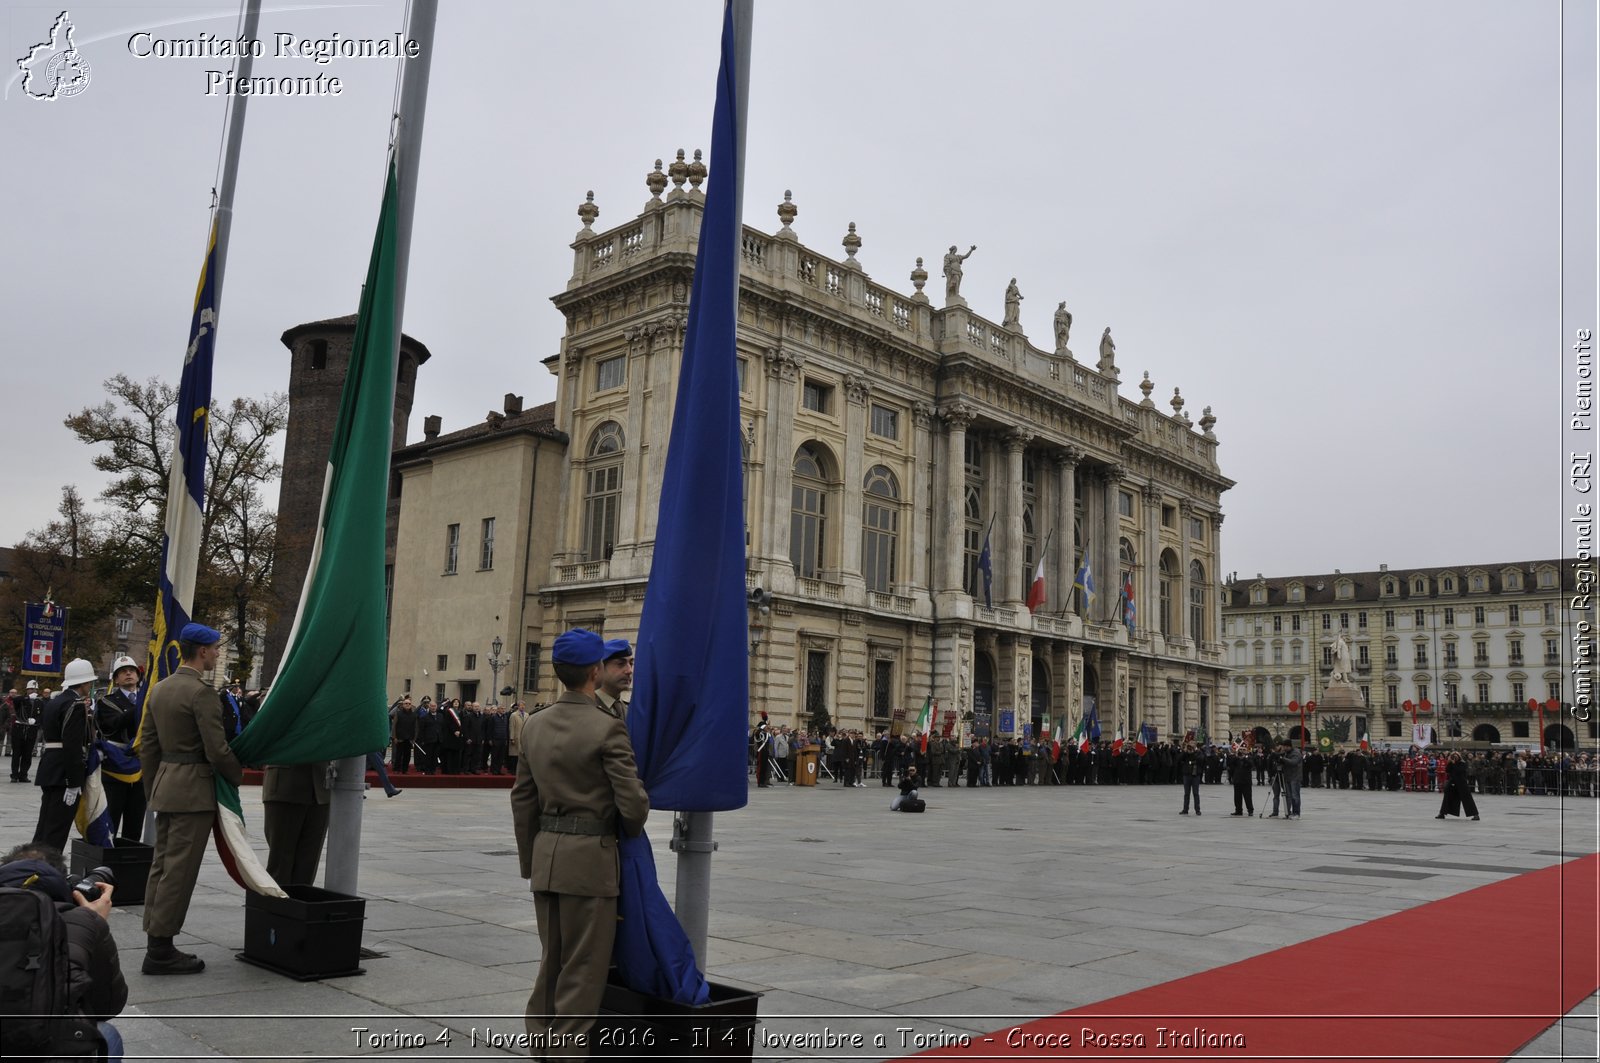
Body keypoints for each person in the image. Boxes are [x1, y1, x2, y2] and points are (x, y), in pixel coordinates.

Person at [510, 628, 649, 1060]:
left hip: (547, 859)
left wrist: (532, 857)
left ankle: (541, 1048)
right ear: (594, 671)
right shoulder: (606, 728)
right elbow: (633, 806)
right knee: (583, 969)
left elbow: (522, 799)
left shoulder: (534, 724)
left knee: (551, 961)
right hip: (590, 864)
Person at [138, 622, 243, 974]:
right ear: (202, 651)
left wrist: (154, 788)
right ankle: (161, 951)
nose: (216, 654)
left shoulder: (161, 689)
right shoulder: (201, 694)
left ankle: (156, 939)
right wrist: (236, 775)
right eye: (215, 649)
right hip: (193, 791)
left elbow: (149, 748)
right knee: (179, 872)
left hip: (166, 787)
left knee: (162, 867)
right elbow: (216, 749)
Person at [0, 842, 128, 1062]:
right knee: (107, 1033)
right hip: (45, 1049)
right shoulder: (83, 920)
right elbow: (107, 1006)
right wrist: (94, 922)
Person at [32, 658, 97, 852]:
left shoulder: (54, 701)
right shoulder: (75, 704)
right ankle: (47, 874)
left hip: (50, 767)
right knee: (56, 831)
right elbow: (72, 745)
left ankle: (31, 868)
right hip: (63, 772)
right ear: (85, 682)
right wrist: (74, 781)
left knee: (44, 826)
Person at [95, 655, 147, 843]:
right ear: (116, 679)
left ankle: (130, 864)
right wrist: (141, 704)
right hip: (116, 768)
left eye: (132, 671)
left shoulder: (146, 699)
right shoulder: (107, 702)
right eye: (123, 672)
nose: (128, 673)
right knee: (112, 821)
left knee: (135, 824)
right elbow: (114, 725)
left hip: (140, 766)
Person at [262, 760, 333, 887]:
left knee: (307, 866)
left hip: (320, 789)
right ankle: (275, 904)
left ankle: (299, 903)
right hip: (285, 785)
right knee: (280, 864)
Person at [11, 679, 43, 782]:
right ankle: (14, 775)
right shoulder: (21, 699)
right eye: (31, 689)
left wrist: (36, 720)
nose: (34, 691)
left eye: (35, 689)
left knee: (27, 754)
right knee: (16, 754)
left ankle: (23, 775)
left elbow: (42, 715)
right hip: (19, 729)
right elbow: (15, 700)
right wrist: (27, 697)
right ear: (27, 690)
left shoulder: (39, 702)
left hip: (31, 730)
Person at [1436, 750, 1481, 821]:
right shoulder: (1451, 763)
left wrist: (1454, 764)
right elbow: (1447, 770)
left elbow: (1459, 771)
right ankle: (1442, 813)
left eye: (1456, 756)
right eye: (1453, 756)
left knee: (1467, 799)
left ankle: (1475, 815)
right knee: (1447, 798)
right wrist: (1450, 762)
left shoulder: (1463, 763)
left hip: (1462, 784)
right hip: (1452, 783)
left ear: (1459, 757)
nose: (1454, 757)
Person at [596, 638, 633, 721]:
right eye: (620, 664)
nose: (629, 670)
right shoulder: (588, 707)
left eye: (631, 663)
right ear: (600, 667)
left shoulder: (630, 710)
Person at [1279, 739, 1304, 819]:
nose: (1283, 748)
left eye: (1284, 747)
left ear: (1288, 746)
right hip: (1288, 777)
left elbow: (1293, 762)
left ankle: (1296, 813)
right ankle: (1290, 813)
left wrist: (1282, 758)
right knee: (1289, 796)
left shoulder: (1296, 753)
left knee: (1295, 796)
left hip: (1295, 777)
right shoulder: (1286, 753)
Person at [1228, 745, 1254, 816]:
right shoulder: (1236, 758)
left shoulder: (1249, 757)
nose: (1242, 751)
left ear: (1247, 751)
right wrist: (1235, 756)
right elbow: (1230, 764)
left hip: (1246, 781)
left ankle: (1250, 810)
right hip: (1237, 780)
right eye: (1241, 749)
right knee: (1237, 797)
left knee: (1248, 797)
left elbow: (1251, 764)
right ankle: (1238, 810)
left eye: (1244, 749)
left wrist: (1244, 758)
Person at [1178, 737, 1202, 815]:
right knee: (1186, 793)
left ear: (1195, 745)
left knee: (1196, 793)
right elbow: (1179, 759)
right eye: (1190, 744)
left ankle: (1197, 810)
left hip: (1195, 775)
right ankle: (1185, 809)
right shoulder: (1185, 753)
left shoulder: (1198, 752)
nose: (1191, 745)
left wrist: (1193, 752)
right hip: (1187, 775)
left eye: (1192, 744)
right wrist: (1185, 751)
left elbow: (1201, 760)